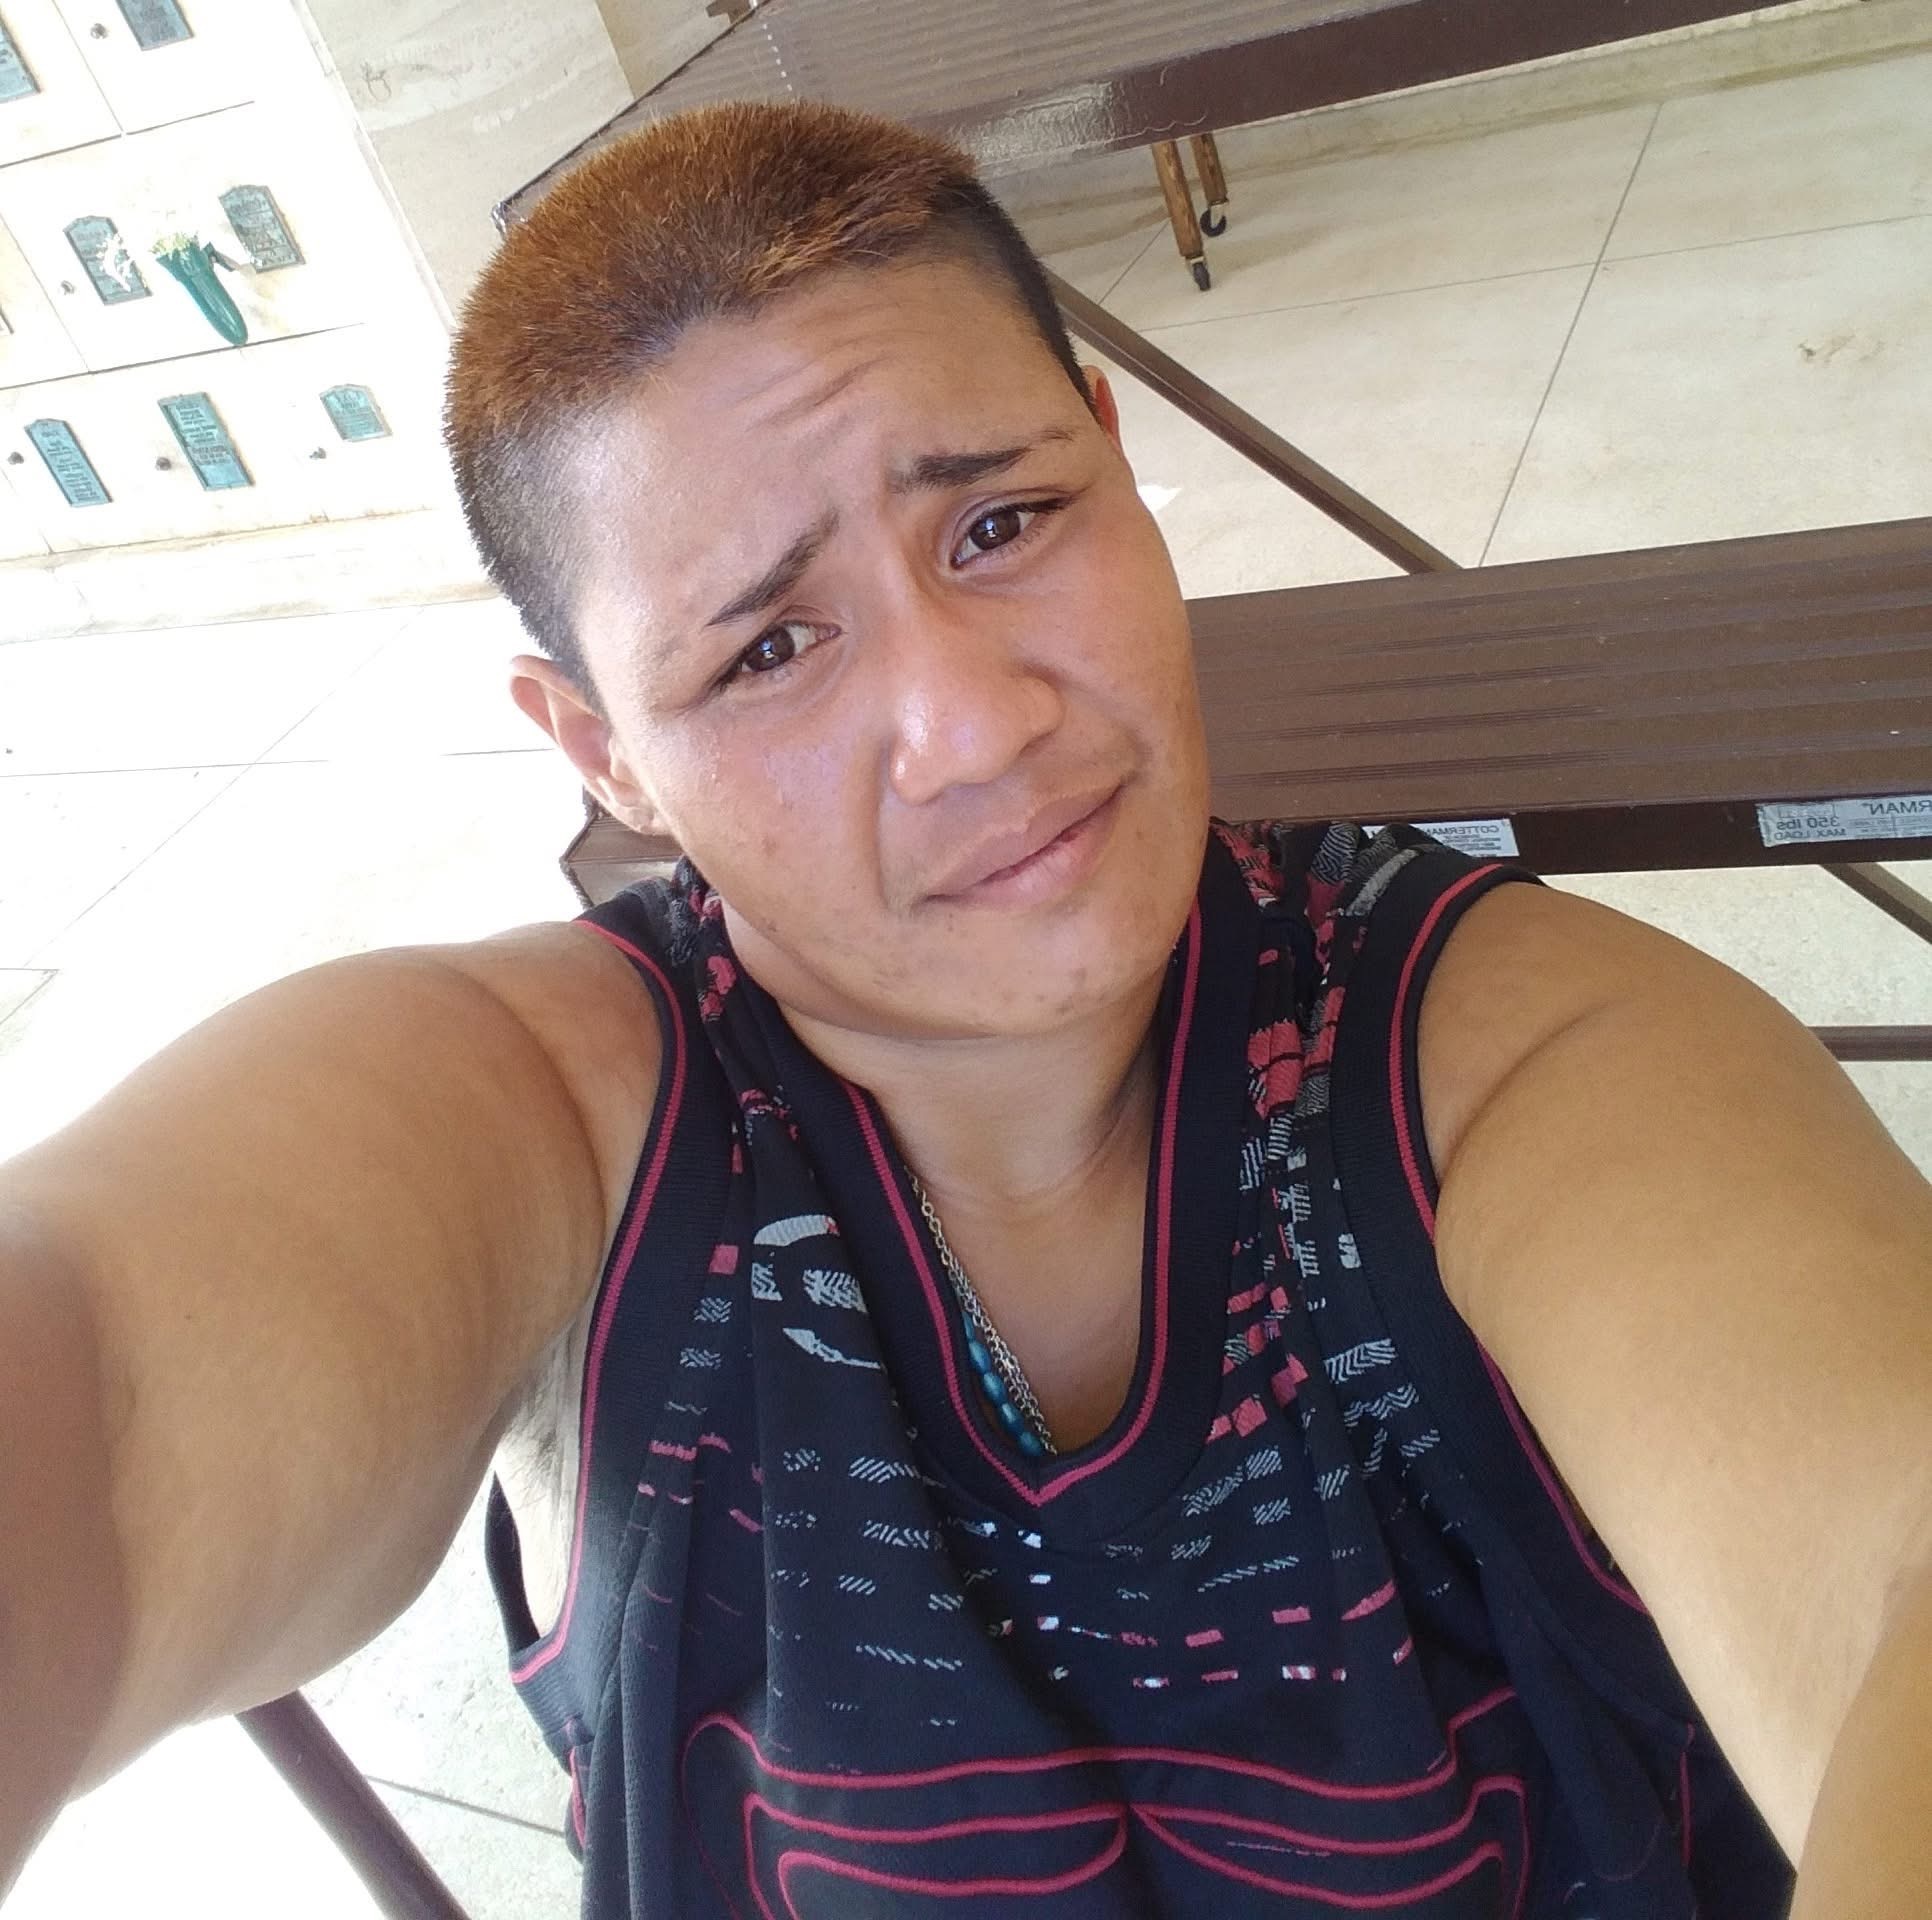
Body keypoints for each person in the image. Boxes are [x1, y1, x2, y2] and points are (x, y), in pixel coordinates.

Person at [2, 99, 1928, 1919]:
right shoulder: (546, 1127)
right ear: (603, 754)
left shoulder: (1512, 1057)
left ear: (1109, 448)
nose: (977, 727)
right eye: (770, 647)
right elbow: (106, 1407)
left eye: (1001, 523)